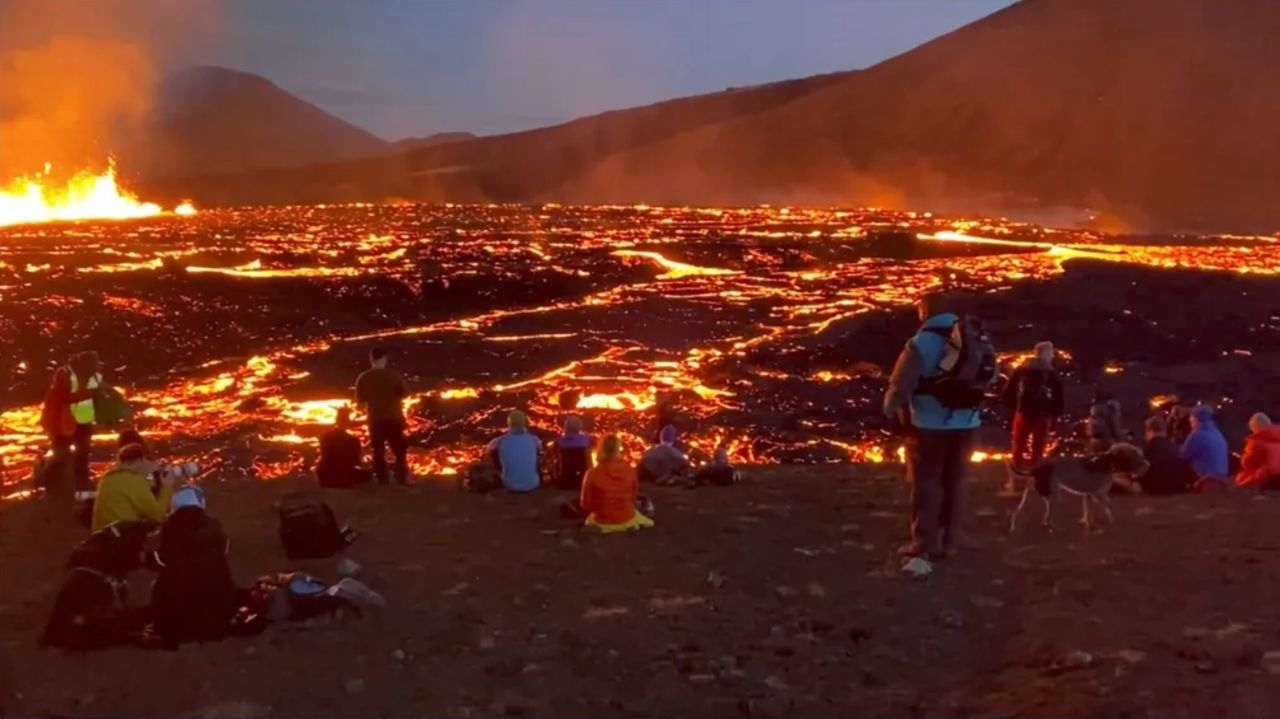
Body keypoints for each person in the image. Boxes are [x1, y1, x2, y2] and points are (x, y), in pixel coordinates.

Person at [883, 295, 996, 560]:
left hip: (928, 425)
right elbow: (990, 377)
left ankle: (924, 542)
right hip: (967, 423)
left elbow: (900, 386)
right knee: (957, 481)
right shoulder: (977, 338)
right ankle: (951, 541)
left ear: (925, 311)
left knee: (926, 483)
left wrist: (890, 411)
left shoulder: (920, 343)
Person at [147, 486, 239, 646]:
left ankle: (167, 624)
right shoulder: (214, 527)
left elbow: (158, 561)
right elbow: (224, 551)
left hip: (179, 615)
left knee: (162, 583)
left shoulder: (169, 529)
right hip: (217, 611)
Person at [40, 351, 104, 493]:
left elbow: (97, 398)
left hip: (83, 420)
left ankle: (81, 487)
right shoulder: (64, 373)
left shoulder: (94, 375)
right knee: (60, 455)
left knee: (83, 455)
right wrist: (89, 394)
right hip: (61, 421)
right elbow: (65, 395)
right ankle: (51, 487)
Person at [1001, 341, 1065, 472]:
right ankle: (1036, 469)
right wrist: (1057, 412)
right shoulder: (1050, 372)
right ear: (1046, 354)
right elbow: (1058, 393)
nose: (1052, 356)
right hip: (1043, 413)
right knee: (1039, 445)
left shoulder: (1022, 369)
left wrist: (1013, 405)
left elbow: (1010, 388)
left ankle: (1017, 468)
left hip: (1023, 411)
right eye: (1050, 353)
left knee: (1019, 442)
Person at [354, 347, 409, 485]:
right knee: (399, 450)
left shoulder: (363, 378)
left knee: (378, 451)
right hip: (393, 418)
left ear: (371, 360)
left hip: (375, 419)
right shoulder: (393, 377)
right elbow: (405, 394)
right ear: (384, 359)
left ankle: (382, 479)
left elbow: (360, 402)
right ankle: (401, 477)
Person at [91, 443, 174, 532]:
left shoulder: (107, 479)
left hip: (102, 536)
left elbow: (144, 483)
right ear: (140, 460)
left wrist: (152, 476)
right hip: (123, 536)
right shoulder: (135, 481)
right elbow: (157, 515)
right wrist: (167, 485)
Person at [578, 435, 654, 533]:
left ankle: (603, 529)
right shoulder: (630, 469)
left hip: (602, 520)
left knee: (590, 521)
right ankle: (629, 526)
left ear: (600, 449)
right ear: (618, 449)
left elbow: (585, 505)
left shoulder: (592, 473)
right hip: (627, 517)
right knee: (644, 520)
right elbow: (633, 497)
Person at [486, 410, 541, 493]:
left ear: (509, 424)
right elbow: (540, 449)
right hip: (532, 484)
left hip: (509, 485)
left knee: (494, 452)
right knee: (537, 453)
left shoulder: (499, 441)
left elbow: (488, 449)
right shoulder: (534, 440)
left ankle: (504, 473)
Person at [316, 406, 370, 489]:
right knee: (368, 473)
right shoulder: (353, 440)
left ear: (336, 420)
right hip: (345, 477)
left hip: (325, 477)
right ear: (348, 421)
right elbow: (356, 462)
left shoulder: (324, 436)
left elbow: (323, 456)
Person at [1139, 415, 1195, 494]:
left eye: (1146, 431)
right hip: (1174, 488)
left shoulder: (1148, 449)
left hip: (1153, 488)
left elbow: (1141, 472)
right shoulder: (1175, 448)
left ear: (1150, 430)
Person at [1180, 404, 1229, 491]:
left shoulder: (1196, 434)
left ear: (1196, 419)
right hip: (1221, 478)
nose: (1189, 419)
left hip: (1203, 479)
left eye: (1191, 416)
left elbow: (1183, 455)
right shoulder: (1217, 433)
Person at [1237, 413, 1280, 491]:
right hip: (1274, 475)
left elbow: (1248, 463)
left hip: (1268, 476)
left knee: (1241, 478)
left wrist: (1243, 456)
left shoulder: (1256, 441)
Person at [552, 414, 593, 490]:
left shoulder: (558, 442)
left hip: (565, 481)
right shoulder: (586, 440)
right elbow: (589, 461)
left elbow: (555, 463)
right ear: (580, 426)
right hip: (582, 480)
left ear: (566, 426)